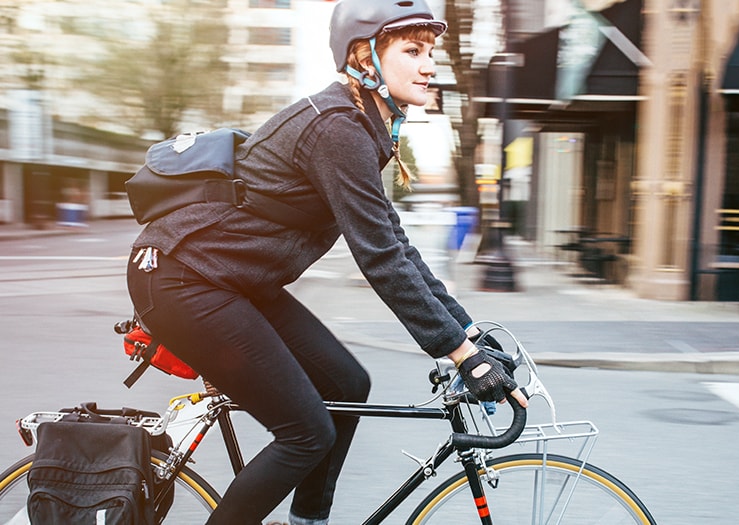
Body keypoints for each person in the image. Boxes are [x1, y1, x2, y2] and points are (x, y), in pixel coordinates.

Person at [125, 0, 527, 523]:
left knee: (346, 387)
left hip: (233, 280)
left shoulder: (360, 129)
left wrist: (468, 333)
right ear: (366, 57)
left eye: (431, 51)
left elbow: (397, 245)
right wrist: (459, 355)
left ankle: (308, 519)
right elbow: (379, 258)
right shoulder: (337, 128)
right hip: (182, 278)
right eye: (412, 50)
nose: (429, 64)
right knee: (305, 431)